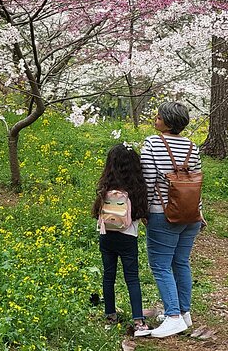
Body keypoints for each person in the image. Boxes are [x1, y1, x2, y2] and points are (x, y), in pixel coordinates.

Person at [140, 102, 203, 338]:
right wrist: (199, 211)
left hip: (163, 213)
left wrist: (143, 210)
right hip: (191, 214)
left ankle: (174, 316)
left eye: (160, 115)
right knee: (181, 262)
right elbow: (195, 182)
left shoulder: (153, 143)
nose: (156, 117)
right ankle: (184, 313)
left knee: (160, 264)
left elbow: (147, 179)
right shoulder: (192, 146)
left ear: (167, 121)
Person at [92, 144, 150, 337]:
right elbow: (141, 214)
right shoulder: (136, 188)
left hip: (106, 236)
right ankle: (139, 321)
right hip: (128, 238)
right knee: (132, 278)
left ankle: (110, 316)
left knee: (109, 276)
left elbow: (96, 213)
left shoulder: (105, 187)